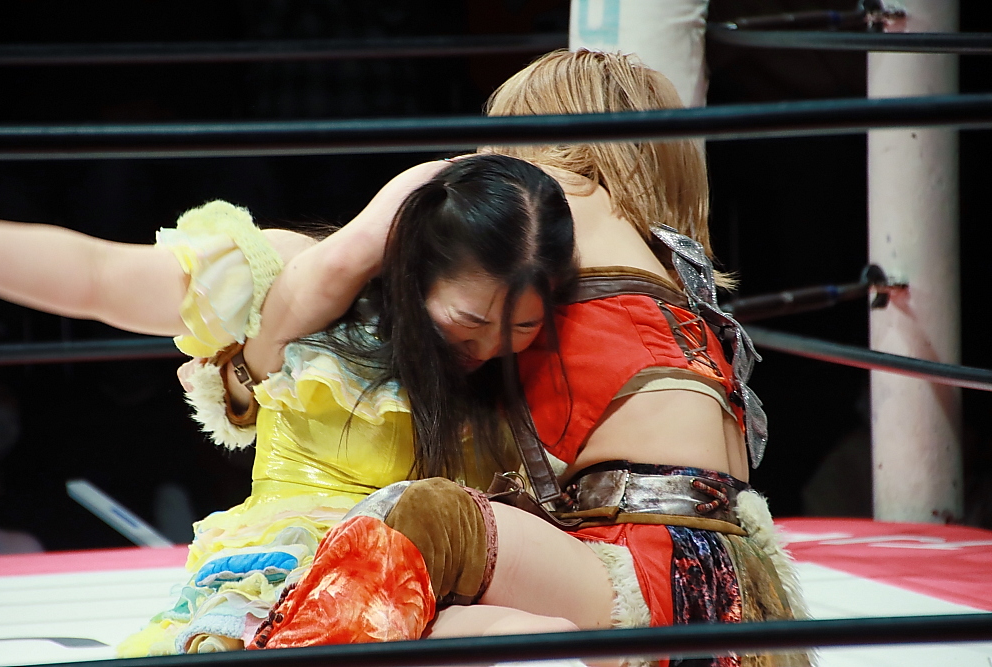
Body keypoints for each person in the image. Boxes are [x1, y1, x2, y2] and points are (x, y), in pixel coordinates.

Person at [251, 51, 810, 667]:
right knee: (435, 611)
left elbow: (339, 261)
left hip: (649, 573)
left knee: (419, 521)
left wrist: (248, 364)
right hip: (738, 594)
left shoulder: (536, 198)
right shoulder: (663, 252)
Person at [0, 154, 578, 655]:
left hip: (444, 592)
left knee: (545, 642)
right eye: (468, 320)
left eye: (523, 326)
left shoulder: (561, 339)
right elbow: (99, 276)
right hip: (297, 587)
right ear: (413, 268)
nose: (491, 345)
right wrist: (361, 243)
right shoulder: (303, 275)